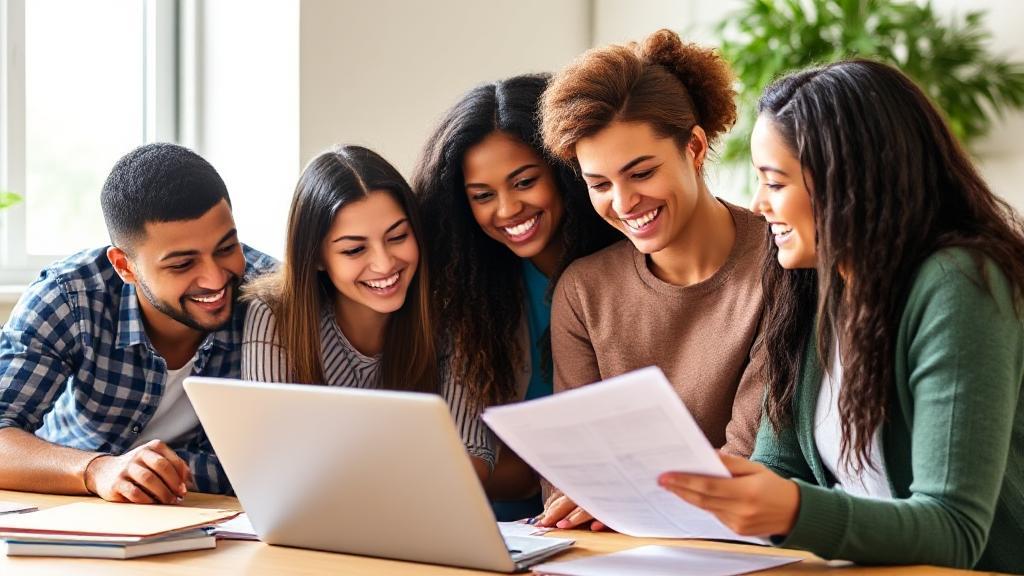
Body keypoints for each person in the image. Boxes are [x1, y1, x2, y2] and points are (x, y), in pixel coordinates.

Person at [659, 59, 1024, 573]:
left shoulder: (959, 284)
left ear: (848, 182)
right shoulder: (817, 284)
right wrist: (649, 506)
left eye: (775, 182)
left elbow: (955, 529)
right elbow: (778, 464)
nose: (759, 204)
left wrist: (793, 509)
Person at [535, 29, 767, 530]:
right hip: (612, 551)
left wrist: (624, 498)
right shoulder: (583, 291)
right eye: (600, 184)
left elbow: (749, 467)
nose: (622, 203)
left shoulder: (779, 266)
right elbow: (569, 482)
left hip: (732, 549)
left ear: (696, 147)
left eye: (641, 173)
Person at [0, 143, 276, 502]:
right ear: (124, 267)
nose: (214, 279)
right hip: (75, 501)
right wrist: (97, 469)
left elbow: (283, 458)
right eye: (182, 264)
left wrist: (167, 471)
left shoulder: (269, 294)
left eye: (226, 248)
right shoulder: (70, 296)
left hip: (206, 513)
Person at [413, 74, 620, 519]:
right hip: (502, 520)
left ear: (564, 172)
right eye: (483, 195)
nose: (507, 210)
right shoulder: (470, 289)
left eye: (525, 182)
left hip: (604, 513)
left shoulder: (621, 268)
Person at [242, 145, 494, 476]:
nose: (385, 263)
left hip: (418, 516)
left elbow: (473, 455)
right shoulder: (275, 312)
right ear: (316, 257)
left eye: (398, 236)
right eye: (355, 249)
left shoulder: (451, 314)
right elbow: (270, 461)